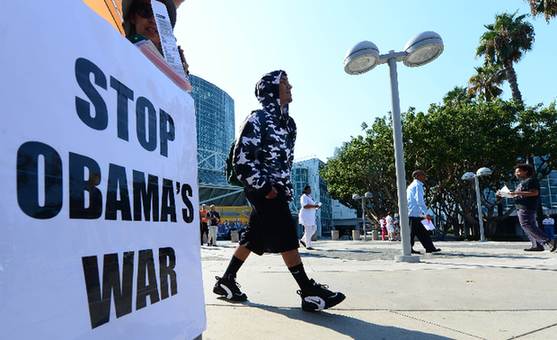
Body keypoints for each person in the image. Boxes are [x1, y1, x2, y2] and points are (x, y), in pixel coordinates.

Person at [213, 71, 345, 312]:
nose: (290, 86)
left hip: (278, 190)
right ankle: (308, 291)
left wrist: (284, 188)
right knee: (286, 234)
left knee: (254, 237)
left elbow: (286, 163)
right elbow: (241, 159)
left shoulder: (289, 124)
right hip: (262, 189)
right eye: (284, 83)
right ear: (272, 90)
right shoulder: (257, 119)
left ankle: (226, 281)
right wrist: (265, 187)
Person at [497, 164, 556, 252]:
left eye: (518, 171)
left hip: (526, 206)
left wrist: (517, 193)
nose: (516, 173)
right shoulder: (523, 182)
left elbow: (535, 193)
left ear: (525, 171)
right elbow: (519, 194)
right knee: (528, 225)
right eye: (515, 172)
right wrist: (505, 194)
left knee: (526, 224)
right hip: (521, 206)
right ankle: (537, 245)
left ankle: (549, 240)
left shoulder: (531, 180)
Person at [122, 0, 189, 74]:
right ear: (132, 17)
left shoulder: (175, 77)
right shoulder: (114, 49)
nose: (153, 20)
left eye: (161, 16)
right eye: (146, 10)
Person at [406, 170, 441, 254]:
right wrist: (426, 213)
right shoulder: (418, 185)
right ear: (417, 176)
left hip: (415, 213)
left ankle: (430, 247)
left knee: (422, 232)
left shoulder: (412, 185)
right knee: (411, 233)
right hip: (415, 213)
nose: (425, 177)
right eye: (423, 175)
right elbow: (419, 200)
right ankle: (408, 249)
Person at [298, 185, 320, 250]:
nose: (310, 190)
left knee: (314, 228)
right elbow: (305, 206)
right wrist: (314, 206)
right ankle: (308, 245)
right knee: (308, 230)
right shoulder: (303, 197)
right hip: (306, 216)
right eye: (309, 189)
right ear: (305, 190)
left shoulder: (309, 197)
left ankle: (303, 240)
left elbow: (312, 206)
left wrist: (316, 206)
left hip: (311, 217)